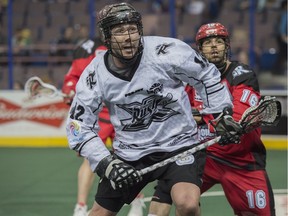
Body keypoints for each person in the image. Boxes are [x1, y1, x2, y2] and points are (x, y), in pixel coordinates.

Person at [65, 3, 241, 216]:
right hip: (130, 154)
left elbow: (206, 75)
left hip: (180, 145)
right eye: (119, 31)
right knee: (100, 213)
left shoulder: (166, 51)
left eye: (132, 29)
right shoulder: (94, 74)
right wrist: (106, 164)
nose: (128, 37)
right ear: (106, 37)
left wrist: (221, 114)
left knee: (188, 205)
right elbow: (79, 127)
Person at [149, 22, 276, 216]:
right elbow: (181, 114)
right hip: (204, 156)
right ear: (200, 49)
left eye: (219, 41)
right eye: (208, 43)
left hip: (241, 161)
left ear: (227, 46)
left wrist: (202, 119)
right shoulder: (192, 77)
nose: (214, 46)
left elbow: (237, 119)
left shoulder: (242, 75)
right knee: (166, 193)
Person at [62, 37, 114, 216]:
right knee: (90, 159)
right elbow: (73, 76)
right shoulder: (87, 47)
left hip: (126, 111)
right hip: (98, 114)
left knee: (131, 157)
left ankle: (137, 203)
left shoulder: (133, 43)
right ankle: (81, 206)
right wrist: (69, 88)